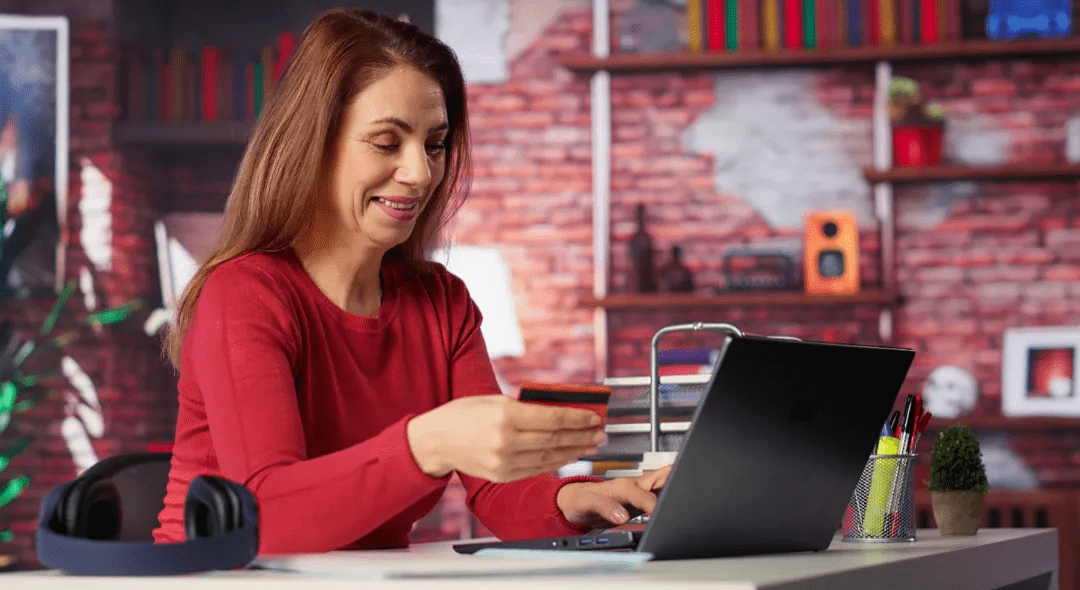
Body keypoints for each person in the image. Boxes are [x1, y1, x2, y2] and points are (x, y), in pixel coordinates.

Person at [153, 9, 670, 555]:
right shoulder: (244, 295)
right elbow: (266, 520)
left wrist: (591, 497)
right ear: (315, 144)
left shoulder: (442, 302)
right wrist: (428, 445)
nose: (421, 172)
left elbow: (498, 493)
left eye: (435, 143)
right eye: (385, 142)